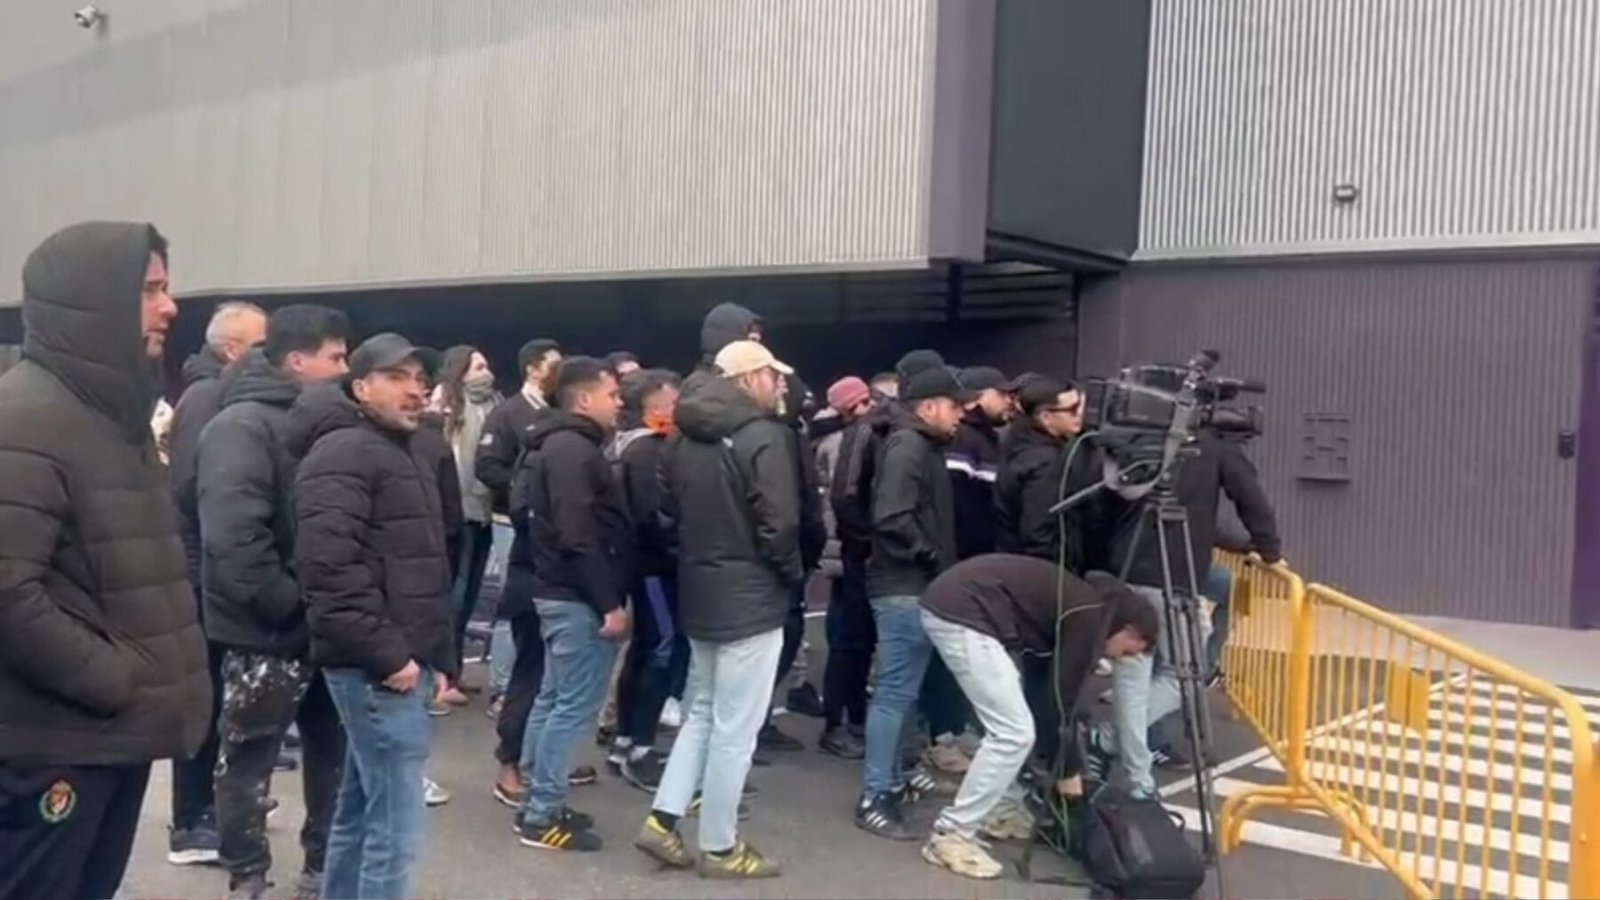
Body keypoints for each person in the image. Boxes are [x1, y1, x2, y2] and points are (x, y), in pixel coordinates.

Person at [0, 221, 211, 900]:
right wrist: (114, 680)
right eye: (150, 289)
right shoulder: (26, 420)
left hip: (109, 740)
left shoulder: (111, 417)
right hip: (54, 746)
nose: (170, 306)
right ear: (93, 302)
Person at [196, 305, 351, 899]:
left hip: (329, 627)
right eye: (335, 358)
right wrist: (294, 604)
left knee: (332, 756)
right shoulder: (241, 427)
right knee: (249, 761)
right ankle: (248, 874)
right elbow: (234, 539)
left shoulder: (335, 423)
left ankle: (323, 869)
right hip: (267, 632)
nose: (345, 369)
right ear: (297, 361)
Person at [293, 334, 456, 900]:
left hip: (396, 662)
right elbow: (326, 568)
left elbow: (421, 562)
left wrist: (438, 656)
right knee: (395, 827)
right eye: (397, 377)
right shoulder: (345, 452)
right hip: (377, 668)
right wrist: (392, 656)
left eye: (419, 379)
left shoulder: (400, 450)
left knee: (362, 813)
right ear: (360, 388)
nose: (415, 390)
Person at [633, 340, 800, 879]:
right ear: (750, 378)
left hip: (700, 591)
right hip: (751, 596)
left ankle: (662, 821)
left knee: (702, 714)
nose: (780, 385)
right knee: (736, 729)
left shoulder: (680, 436)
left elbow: (668, 517)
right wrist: (789, 575)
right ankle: (722, 846)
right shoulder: (762, 436)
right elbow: (781, 523)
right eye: (774, 375)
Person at [917, 555, 1157, 878]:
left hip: (958, 603)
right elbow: (1059, 704)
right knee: (1013, 732)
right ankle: (952, 833)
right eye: (1130, 650)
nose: (1121, 661)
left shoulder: (1081, 605)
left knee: (1015, 724)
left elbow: (1045, 699)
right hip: (966, 613)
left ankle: (998, 809)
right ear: (1127, 629)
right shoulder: (1090, 620)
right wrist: (1069, 771)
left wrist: (1062, 757)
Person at [1087, 429, 1283, 797]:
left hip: (1121, 572)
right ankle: (1112, 745)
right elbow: (1251, 500)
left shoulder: (1141, 439)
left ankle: (1138, 779)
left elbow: (1106, 505)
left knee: (1133, 680)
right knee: (1184, 675)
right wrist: (1269, 550)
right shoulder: (1213, 448)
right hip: (1170, 578)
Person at [511, 357, 631, 851]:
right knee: (571, 709)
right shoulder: (573, 451)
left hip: (557, 590)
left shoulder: (553, 445)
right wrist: (608, 604)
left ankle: (539, 799)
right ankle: (541, 814)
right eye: (612, 394)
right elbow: (579, 531)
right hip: (577, 596)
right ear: (584, 399)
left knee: (553, 700)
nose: (620, 402)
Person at [165, 301, 269, 866]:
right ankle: (190, 820)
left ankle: (218, 802)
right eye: (261, 345)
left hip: (213, 570)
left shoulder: (224, 394)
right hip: (203, 574)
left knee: (223, 697)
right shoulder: (208, 398)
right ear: (231, 349)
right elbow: (190, 488)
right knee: (204, 699)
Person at [857, 364, 968, 841]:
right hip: (904, 582)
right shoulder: (909, 445)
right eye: (955, 405)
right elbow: (892, 515)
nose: (961, 415)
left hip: (911, 581)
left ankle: (893, 781)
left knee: (902, 689)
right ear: (929, 406)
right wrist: (931, 555)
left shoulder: (915, 443)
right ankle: (875, 794)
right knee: (895, 690)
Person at [918, 365, 1014, 776]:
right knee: (943, 659)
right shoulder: (964, 441)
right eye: (1002, 393)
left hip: (972, 562)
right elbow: (958, 506)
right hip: (957, 564)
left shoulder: (986, 438)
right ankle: (941, 735)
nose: (1009, 400)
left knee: (959, 659)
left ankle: (953, 728)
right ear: (979, 395)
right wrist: (952, 558)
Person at [608, 370, 688, 791]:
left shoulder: (635, 447)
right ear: (651, 407)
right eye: (672, 401)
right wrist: (680, 551)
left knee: (645, 649)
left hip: (646, 565)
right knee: (660, 648)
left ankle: (625, 740)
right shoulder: (646, 451)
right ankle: (639, 746)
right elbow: (653, 517)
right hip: (654, 568)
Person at [431, 345, 503, 704]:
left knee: (470, 595)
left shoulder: (493, 404)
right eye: (477, 366)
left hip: (483, 510)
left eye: (486, 365)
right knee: (453, 598)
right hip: (456, 513)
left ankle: (454, 672)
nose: (484, 373)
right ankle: (441, 680)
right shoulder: (446, 403)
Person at [817, 376, 878, 759]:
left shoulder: (842, 438)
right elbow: (846, 502)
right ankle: (837, 724)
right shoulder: (846, 443)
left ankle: (851, 719)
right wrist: (865, 547)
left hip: (845, 551)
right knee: (848, 642)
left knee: (855, 641)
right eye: (868, 399)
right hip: (850, 554)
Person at [994, 377, 1091, 567]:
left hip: (1012, 562)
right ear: (1045, 417)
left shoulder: (1016, 443)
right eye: (1071, 409)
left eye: (1079, 405)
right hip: (1039, 571)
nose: (1079, 414)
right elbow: (1039, 531)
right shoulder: (1045, 462)